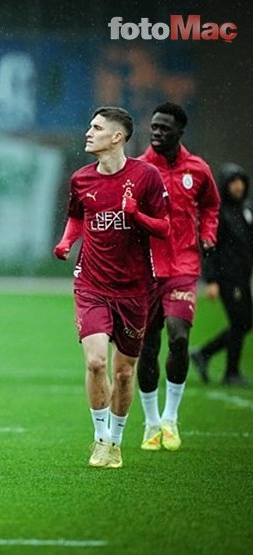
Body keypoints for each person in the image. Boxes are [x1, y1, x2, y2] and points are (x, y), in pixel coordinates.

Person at [54, 106, 169, 469]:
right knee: (95, 362)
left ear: (117, 137)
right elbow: (77, 217)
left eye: (97, 128)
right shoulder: (81, 180)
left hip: (135, 289)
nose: (88, 133)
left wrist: (136, 215)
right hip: (91, 284)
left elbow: (164, 227)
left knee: (123, 372)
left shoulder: (147, 176)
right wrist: (66, 241)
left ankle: (116, 442)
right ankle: (101, 438)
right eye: (90, 126)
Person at [135, 102, 220, 452]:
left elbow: (210, 205)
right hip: (145, 269)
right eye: (154, 127)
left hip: (183, 266)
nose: (156, 132)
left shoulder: (198, 169)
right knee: (147, 345)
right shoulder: (138, 170)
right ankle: (151, 421)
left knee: (179, 337)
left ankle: (170, 417)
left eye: (164, 128)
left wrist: (208, 234)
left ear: (180, 132)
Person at [192, 164, 253, 387]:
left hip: (243, 277)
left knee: (245, 322)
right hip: (228, 277)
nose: (238, 186)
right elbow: (210, 249)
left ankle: (203, 354)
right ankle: (231, 371)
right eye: (233, 182)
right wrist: (211, 280)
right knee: (240, 322)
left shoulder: (246, 211)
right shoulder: (219, 214)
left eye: (240, 181)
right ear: (225, 185)